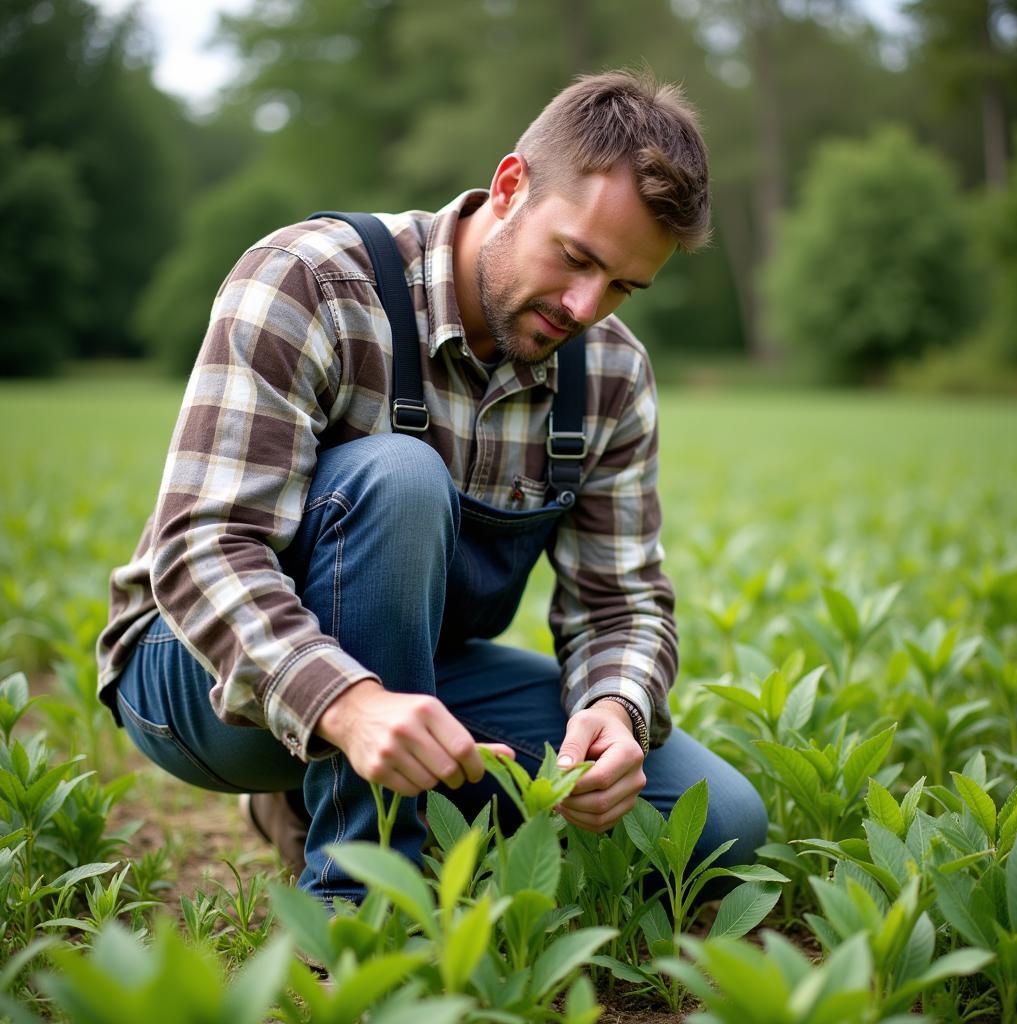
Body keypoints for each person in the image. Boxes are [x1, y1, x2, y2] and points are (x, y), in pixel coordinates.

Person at [96, 69, 767, 907]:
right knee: (401, 474)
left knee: (720, 824)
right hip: (194, 672)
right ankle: (361, 900)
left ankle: (361, 806)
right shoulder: (310, 280)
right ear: (511, 185)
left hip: (424, 674)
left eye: (625, 285)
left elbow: (619, 599)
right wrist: (344, 702)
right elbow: (202, 549)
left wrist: (616, 711)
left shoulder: (613, 374)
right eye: (577, 258)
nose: (586, 306)